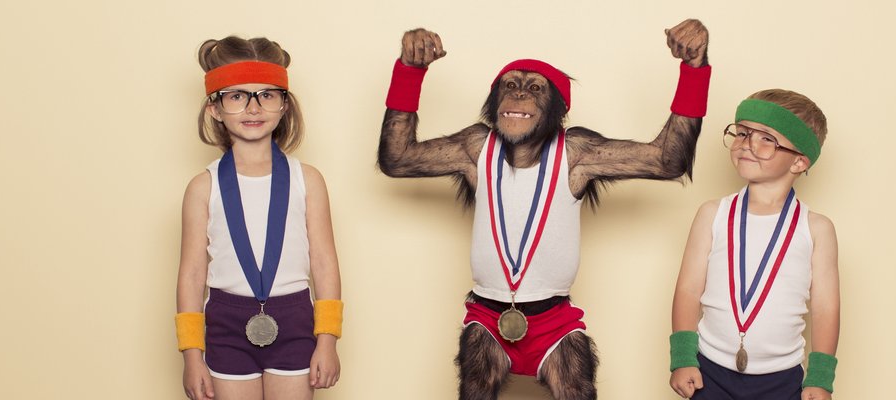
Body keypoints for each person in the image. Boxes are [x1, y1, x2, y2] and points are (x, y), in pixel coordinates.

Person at [377, 20, 711, 400]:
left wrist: (694, 71)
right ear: (493, 102)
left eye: (534, 89)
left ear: (555, 109)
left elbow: (667, 161)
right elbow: (397, 159)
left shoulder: (574, 153)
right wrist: (410, 70)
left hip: (555, 322)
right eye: (510, 86)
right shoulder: (477, 148)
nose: (518, 95)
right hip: (486, 316)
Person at [174, 36, 343, 400]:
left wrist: (327, 340)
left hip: (295, 317)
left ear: (284, 105)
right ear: (215, 109)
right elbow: (191, 273)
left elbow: (325, 263)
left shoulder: (307, 180)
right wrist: (191, 355)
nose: (253, 107)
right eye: (237, 96)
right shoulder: (202, 188)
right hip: (226, 323)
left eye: (266, 94)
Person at [668, 90, 840, 399]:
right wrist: (682, 358)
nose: (747, 144)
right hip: (710, 372)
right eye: (743, 133)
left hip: (782, 380)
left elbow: (826, 308)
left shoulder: (816, 229)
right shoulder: (712, 214)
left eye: (766, 139)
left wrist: (820, 378)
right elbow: (688, 289)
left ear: (799, 161)